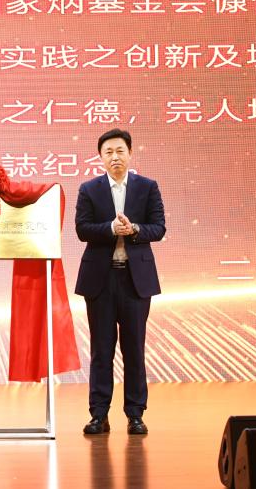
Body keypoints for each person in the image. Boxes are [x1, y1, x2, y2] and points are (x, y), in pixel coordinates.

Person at [74, 128, 165, 435]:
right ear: (100, 157)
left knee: (134, 348)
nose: (115, 157)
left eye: (120, 151)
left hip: (135, 280)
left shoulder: (147, 187)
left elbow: (158, 228)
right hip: (100, 280)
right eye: (108, 152)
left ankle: (135, 414)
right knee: (101, 350)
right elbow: (82, 229)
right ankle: (99, 415)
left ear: (130, 153)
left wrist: (134, 229)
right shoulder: (89, 189)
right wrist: (111, 228)